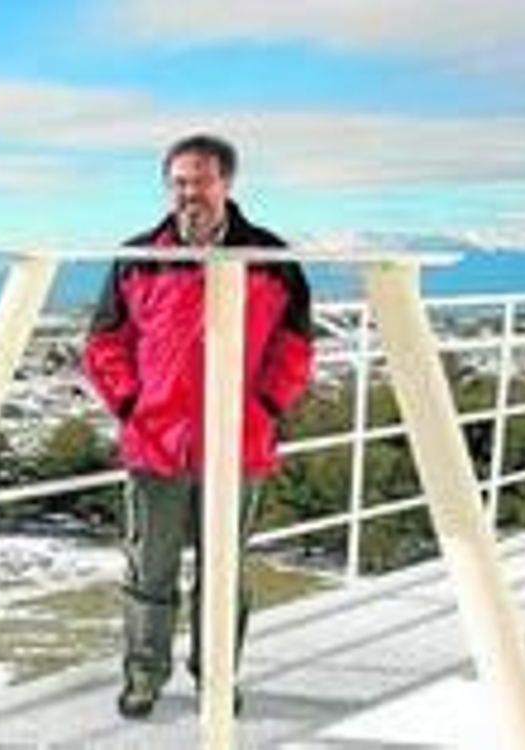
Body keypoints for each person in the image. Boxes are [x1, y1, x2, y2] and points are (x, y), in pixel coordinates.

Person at [83, 133, 314, 719]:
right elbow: (105, 343)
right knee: (148, 570)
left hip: (238, 443)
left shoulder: (271, 257)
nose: (191, 193)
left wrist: (263, 405)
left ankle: (217, 676)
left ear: (227, 183)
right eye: (180, 181)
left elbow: (295, 347)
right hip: (156, 444)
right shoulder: (139, 256)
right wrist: (134, 407)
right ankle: (144, 677)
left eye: (202, 180)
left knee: (224, 570)